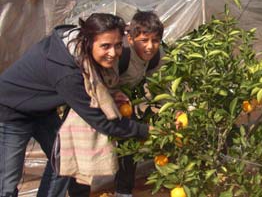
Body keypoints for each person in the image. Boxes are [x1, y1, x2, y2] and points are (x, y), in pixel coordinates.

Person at [0, 13, 151, 197]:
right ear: (88, 41)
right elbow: (102, 122)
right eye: (105, 46)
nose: (113, 53)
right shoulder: (66, 73)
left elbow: (93, 84)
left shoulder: (80, 52)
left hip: (42, 110)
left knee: (65, 161)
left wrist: (110, 94)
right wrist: (146, 131)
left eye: (118, 45)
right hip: (11, 111)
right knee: (7, 183)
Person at [113, 10, 164, 197]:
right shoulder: (120, 53)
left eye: (155, 41)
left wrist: (174, 110)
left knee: (130, 139)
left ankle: (123, 191)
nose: (150, 47)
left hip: (124, 102)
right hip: (101, 98)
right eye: (144, 40)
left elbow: (163, 88)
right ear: (131, 38)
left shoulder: (157, 56)